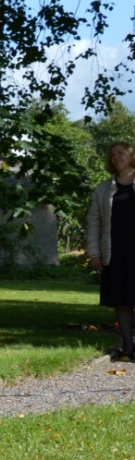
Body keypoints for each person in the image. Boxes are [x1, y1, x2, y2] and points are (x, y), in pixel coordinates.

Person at [87, 141, 135, 361]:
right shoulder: (103, 188)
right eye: (113, 154)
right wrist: (94, 252)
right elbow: (94, 222)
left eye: (121, 153)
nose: (116, 157)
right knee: (122, 300)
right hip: (115, 252)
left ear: (132, 155)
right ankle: (127, 347)